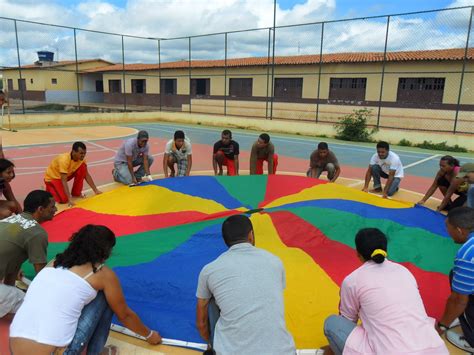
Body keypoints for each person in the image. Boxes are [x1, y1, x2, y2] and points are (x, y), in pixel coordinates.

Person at [9, 224, 162, 354]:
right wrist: (149, 335)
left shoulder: (54, 262)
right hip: (56, 352)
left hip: (15, 347)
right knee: (104, 296)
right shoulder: (101, 274)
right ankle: (96, 351)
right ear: (105, 251)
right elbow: (125, 315)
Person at [323, 228, 448, 355]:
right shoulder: (404, 271)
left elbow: (347, 320)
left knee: (333, 323)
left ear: (358, 254)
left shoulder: (353, 280)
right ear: (385, 250)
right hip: (437, 350)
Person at [196, 215, 295, 355]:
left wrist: (210, 342)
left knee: (210, 300)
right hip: (283, 351)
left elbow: (201, 324)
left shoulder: (210, 270)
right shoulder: (275, 262)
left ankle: (213, 347)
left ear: (226, 240)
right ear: (251, 235)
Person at [0, 190, 56, 320]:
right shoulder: (37, 233)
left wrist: (10, 288)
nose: (55, 209)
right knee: (36, 306)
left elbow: (14, 255)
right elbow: (41, 275)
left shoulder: (9, 220)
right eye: (52, 206)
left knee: (12, 293)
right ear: (40, 209)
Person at [436, 207, 474, 352]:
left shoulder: (467, 254)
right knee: (455, 274)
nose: (447, 232)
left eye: (448, 228)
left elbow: (458, 300)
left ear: (459, 230)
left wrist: (442, 325)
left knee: (461, 299)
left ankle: (472, 340)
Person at [44, 142, 102, 206]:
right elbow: (64, 180)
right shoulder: (64, 160)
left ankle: (76, 193)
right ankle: (50, 188)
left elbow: (87, 175)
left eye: (84, 153)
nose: (83, 155)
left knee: (83, 167)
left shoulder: (82, 160)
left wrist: (95, 190)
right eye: (81, 153)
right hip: (53, 178)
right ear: (74, 152)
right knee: (64, 200)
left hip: (66, 175)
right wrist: (69, 199)